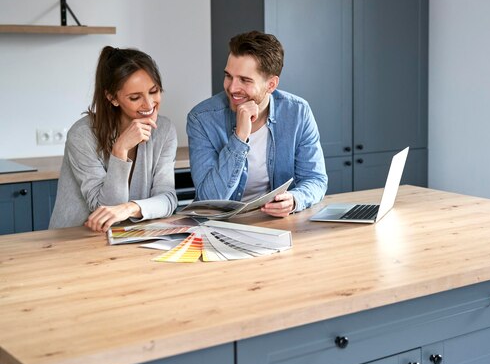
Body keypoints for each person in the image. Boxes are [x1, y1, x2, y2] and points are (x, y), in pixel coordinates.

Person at [187, 30, 327, 217]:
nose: (232, 88)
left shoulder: (298, 112)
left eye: (245, 80)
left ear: (271, 85)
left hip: (274, 222)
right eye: (229, 76)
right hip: (221, 224)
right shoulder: (202, 118)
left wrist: (295, 199)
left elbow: (315, 179)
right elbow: (209, 200)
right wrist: (239, 137)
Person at [49, 46, 178, 232]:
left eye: (154, 91)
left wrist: (130, 208)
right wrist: (120, 150)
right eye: (135, 97)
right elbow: (104, 210)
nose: (149, 104)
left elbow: (167, 199)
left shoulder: (164, 130)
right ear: (112, 98)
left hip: (130, 239)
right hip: (76, 240)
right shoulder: (82, 135)